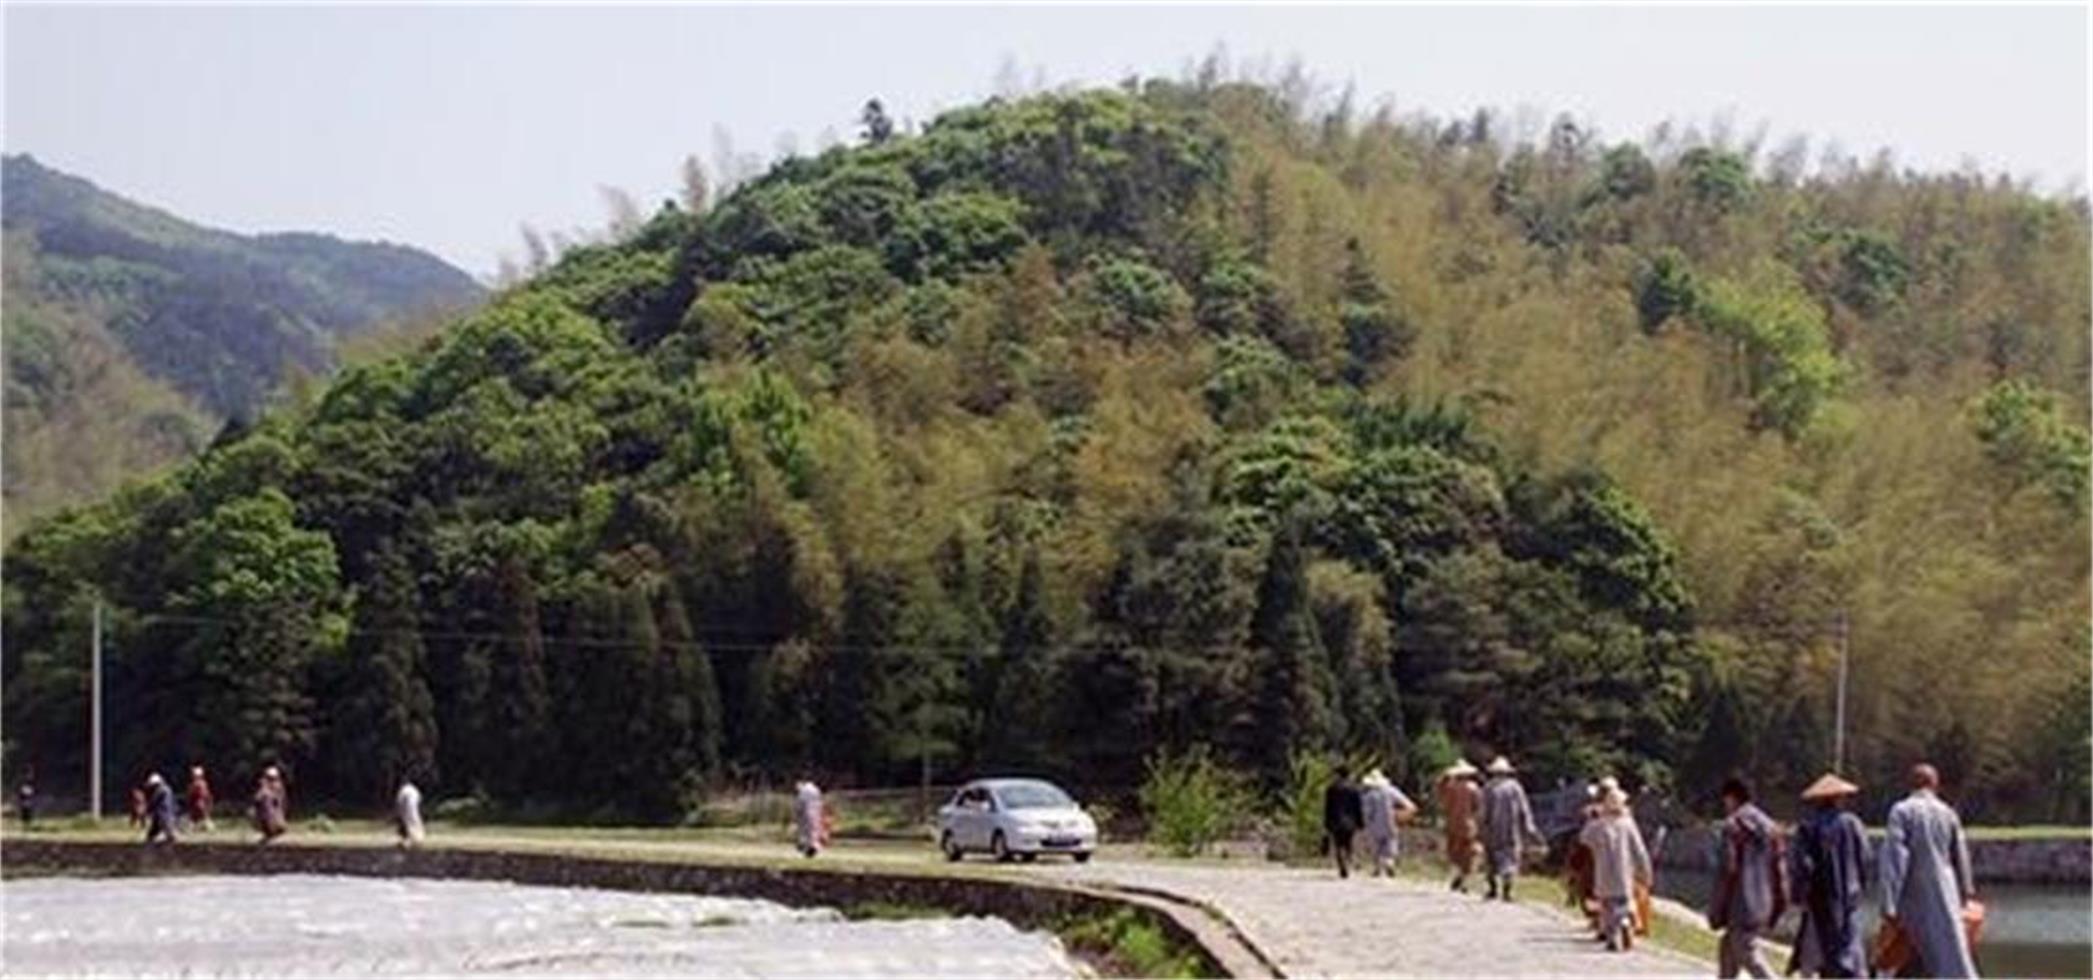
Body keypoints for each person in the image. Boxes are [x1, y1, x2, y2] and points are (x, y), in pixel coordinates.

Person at [1879, 763, 1978, 979]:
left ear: (1910, 784)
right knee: (1950, 950)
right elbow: (1960, 855)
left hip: (1912, 892)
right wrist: (1966, 892)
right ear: (1935, 784)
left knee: (1902, 951)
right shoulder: (1948, 813)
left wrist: (1889, 903)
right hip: (1946, 891)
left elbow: (1895, 857)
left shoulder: (1901, 811)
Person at [1790, 773, 1868, 979]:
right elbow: (1865, 859)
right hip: (1850, 898)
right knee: (1849, 950)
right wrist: (1860, 887)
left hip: (1820, 900)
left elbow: (1803, 866)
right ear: (1839, 798)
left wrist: (1798, 896)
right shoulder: (1853, 824)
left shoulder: (1808, 827)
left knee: (1820, 953)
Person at [1710, 776, 1779, 979]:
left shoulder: (1732, 826)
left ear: (1731, 798)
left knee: (1749, 954)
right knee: (1727, 952)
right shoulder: (1769, 827)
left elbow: (1727, 870)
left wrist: (1716, 907)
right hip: (1763, 900)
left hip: (1738, 904)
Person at [1580, 786, 1652, 952]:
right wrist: (1645, 871)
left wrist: (1592, 819)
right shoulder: (1628, 825)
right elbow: (1639, 849)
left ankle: (1612, 935)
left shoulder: (1599, 825)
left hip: (1604, 873)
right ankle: (1626, 922)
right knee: (1625, 902)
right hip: (1624, 872)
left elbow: (1584, 839)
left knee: (1607, 907)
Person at [1480, 756, 1543, 901]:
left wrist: (1483, 827)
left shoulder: (1489, 787)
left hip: (1493, 829)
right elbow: (1523, 808)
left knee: (1492, 858)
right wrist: (1529, 827)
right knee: (1510, 857)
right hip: (1511, 829)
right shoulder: (1515, 787)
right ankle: (1507, 890)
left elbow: (1484, 811)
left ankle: (1493, 889)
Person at [1358, 768, 1418, 877]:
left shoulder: (1368, 795)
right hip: (1390, 822)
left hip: (1374, 825)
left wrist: (1365, 823)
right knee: (1391, 845)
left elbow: (1367, 813)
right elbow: (1409, 804)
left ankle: (1378, 867)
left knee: (1376, 847)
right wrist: (1402, 814)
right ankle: (1389, 863)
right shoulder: (1391, 791)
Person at [1436, 760, 1484, 893]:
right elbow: (1478, 807)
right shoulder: (1473, 788)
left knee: (1454, 852)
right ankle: (1464, 880)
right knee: (1469, 853)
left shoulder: (1449, 788)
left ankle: (1458, 876)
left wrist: (1445, 777)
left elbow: (1440, 796)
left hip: (1451, 824)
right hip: (1468, 825)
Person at [1321, 764, 1366, 879]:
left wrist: (1326, 823)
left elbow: (1327, 807)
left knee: (1338, 844)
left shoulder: (1331, 788)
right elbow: (1358, 807)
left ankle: (1342, 865)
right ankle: (1348, 861)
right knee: (1348, 843)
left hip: (1335, 820)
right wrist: (1361, 822)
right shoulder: (1354, 789)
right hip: (1350, 821)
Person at [252, 766, 287, 844]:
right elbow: (257, 799)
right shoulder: (267, 789)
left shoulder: (276, 789)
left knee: (267, 813)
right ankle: (268, 834)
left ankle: (271, 833)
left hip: (275, 821)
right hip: (271, 819)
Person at [792, 779, 826, 857]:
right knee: (814, 830)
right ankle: (811, 847)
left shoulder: (803, 792)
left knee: (806, 831)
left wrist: (797, 814)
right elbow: (820, 801)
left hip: (807, 814)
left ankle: (809, 847)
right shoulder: (815, 789)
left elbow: (799, 806)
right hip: (815, 812)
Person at [143, 772, 178, 845]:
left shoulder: (160, 790)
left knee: (166, 830)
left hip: (161, 814)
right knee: (158, 830)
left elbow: (153, 801)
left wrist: (147, 810)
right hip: (167, 813)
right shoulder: (167, 789)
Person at [395, 779, 425, 846]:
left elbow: (400, 806)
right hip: (409, 799)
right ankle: (415, 838)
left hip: (407, 799)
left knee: (410, 820)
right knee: (413, 819)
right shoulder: (412, 791)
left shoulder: (405, 791)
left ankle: (413, 839)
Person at [184, 766, 215, 833]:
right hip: (201, 803)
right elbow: (207, 794)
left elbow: (191, 794)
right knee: (204, 817)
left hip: (197, 803)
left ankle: (191, 829)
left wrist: (189, 800)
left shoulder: (196, 784)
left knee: (194, 818)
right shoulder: (203, 783)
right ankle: (209, 828)